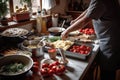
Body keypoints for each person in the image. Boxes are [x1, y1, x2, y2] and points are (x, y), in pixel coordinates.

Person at [61, 0, 120, 80]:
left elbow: (85, 21)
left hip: (110, 42)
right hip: (108, 38)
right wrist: (76, 20)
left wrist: (67, 30)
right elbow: (89, 10)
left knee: (107, 73)